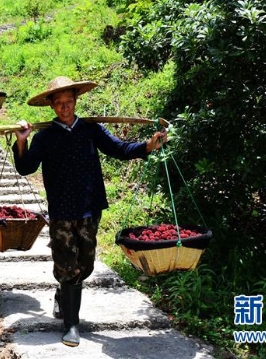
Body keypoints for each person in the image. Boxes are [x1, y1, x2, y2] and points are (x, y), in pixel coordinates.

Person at [12, 76, 168, 347]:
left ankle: (63, 295)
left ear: (76, 101)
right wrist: (22, 141)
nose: (65, 107)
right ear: (51, 106)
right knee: (66, 263)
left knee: (85, 264)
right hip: (61, 210)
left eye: (69, 102)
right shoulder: (45, 136)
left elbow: (118, 149)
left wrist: (147, 146)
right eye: (59, 103)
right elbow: (26, 168)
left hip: (89, 206)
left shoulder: (90, 129)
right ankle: (72, 324)